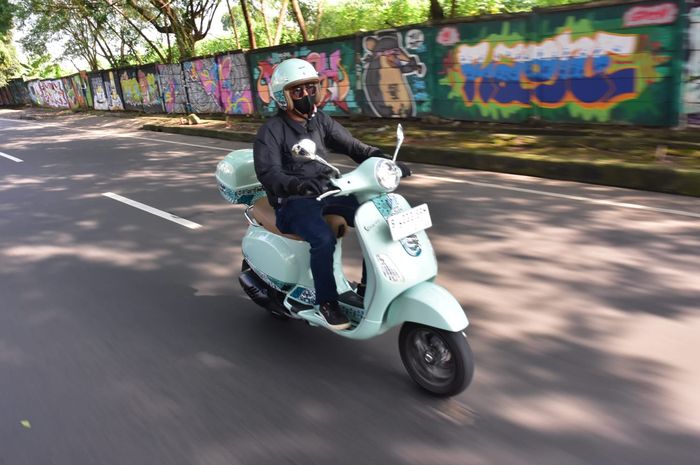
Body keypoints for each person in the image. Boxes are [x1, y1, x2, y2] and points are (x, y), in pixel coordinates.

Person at [253, 58, 410, 331]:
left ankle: (368, 287)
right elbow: (269, 174)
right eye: (298, 91)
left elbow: (354, 147)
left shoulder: (320, 121)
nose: (306, 96)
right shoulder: (271, 131)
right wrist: (298, 186)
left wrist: (387, 161)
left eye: (310, 88)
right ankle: (327, 303)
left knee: (376, 218)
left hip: (327, 191)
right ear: (282, 96)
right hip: (293, 201)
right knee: (323, 239)